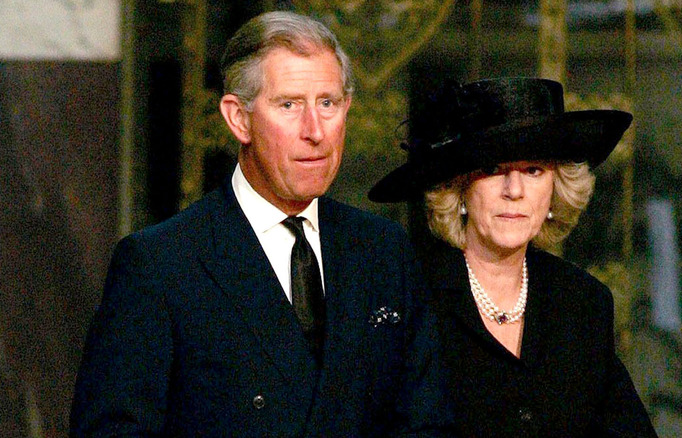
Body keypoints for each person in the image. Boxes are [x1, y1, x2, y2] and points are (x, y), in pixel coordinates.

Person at [71, 11, 450, 437]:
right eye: (288, 105)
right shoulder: (160, 264)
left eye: (328, 103)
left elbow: (426, 423)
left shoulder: (383, 250)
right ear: (239, 118)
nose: (315, 131)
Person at [369, 77, 658, 437]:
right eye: (493, 170)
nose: (515, 190)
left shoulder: (582, 302)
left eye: (533, 170)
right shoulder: (410, 298)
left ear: (556, 190)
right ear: (458, 189)